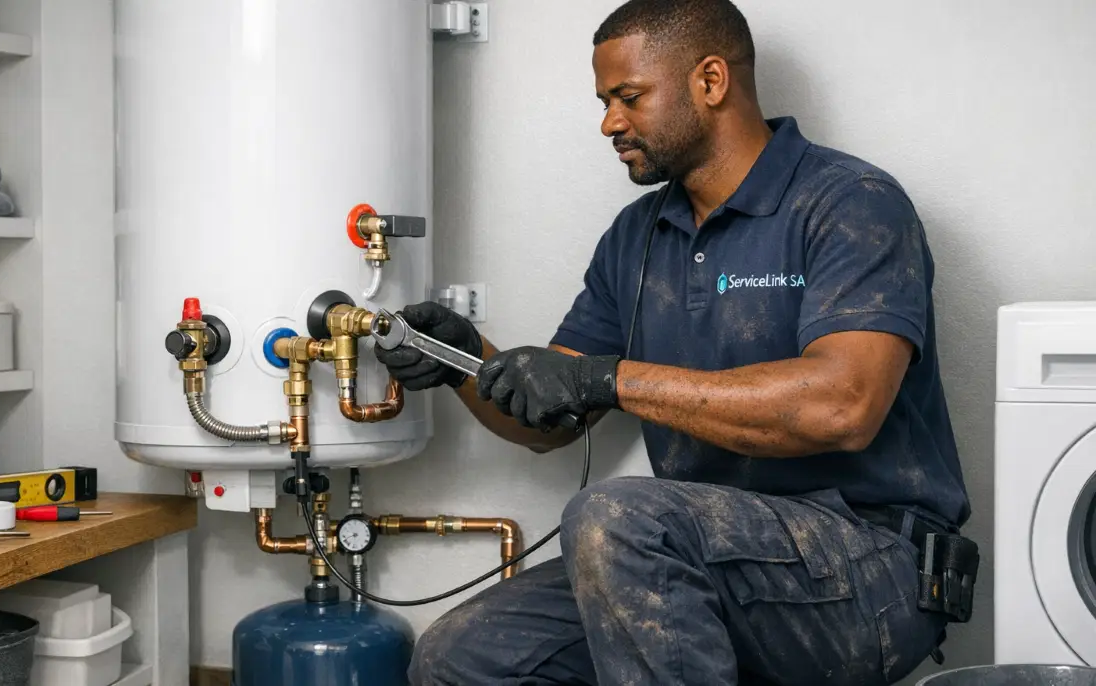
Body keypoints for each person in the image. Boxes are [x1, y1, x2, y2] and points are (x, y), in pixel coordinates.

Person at [376, 0, 972, 683]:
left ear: (710, 82)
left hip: (872, 569)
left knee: (617, 516)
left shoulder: (851, 203)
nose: (609, 123)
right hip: (696, 560)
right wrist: (464, 361)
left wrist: (611, 378)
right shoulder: (636, 236)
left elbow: (844, 404)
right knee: (463, 655)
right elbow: (552, 423)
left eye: (628, 97)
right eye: (604, 102)